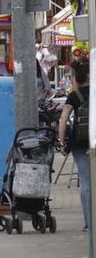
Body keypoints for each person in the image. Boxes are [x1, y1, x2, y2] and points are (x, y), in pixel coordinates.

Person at [58, 58, 91, 231]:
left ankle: (88, 223)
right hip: (94, 141)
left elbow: (63, 119)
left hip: (79, 142)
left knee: (85, 181)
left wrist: (61, 140)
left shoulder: (73, 96)